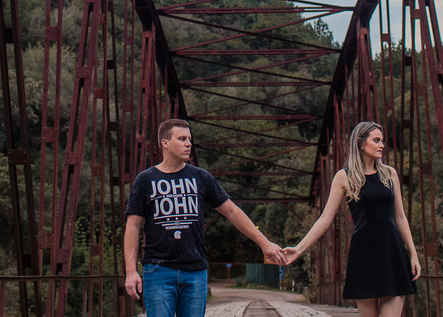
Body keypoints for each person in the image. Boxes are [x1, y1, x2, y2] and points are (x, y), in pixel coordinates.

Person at [124, 118, 288, 317]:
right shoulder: (145, 180)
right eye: (182, 138)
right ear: (165, 143)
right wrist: (131, 271)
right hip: (158, 270)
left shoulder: (200, 177)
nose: (189, 144)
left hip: (195, 271)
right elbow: (133, 226)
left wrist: (264, 243)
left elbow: (232, 211)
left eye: (190, 139)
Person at [283, 121, 420, 317]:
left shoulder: (390, 174)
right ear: (360, 142)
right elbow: (325, 219)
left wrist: (413, 255)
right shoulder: (344, 177)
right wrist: (299, 248)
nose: (382, 145)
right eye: (376, 140)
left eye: (382, 141)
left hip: (392, 252)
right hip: (364, 254)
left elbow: (400, 217)